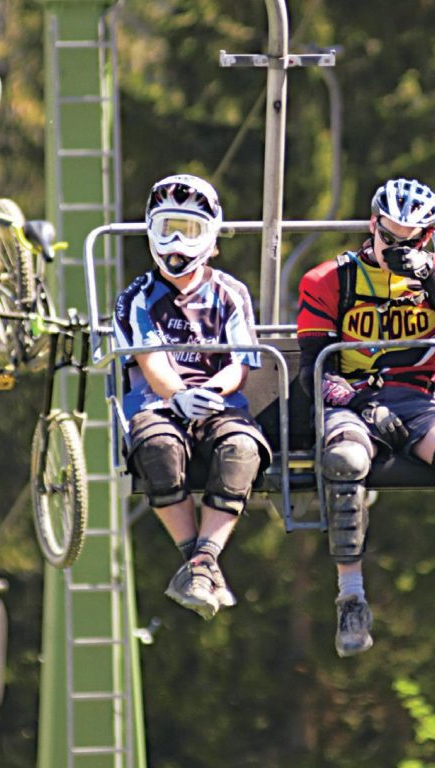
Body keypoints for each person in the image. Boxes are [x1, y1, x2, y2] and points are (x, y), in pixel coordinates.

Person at [297, 177, 435, 656]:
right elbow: (314, 370)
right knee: (345, 461)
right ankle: (351, 598)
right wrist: (363, 403)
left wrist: (430, 277)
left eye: (409, 241)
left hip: (418, 398)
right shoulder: (329, 280)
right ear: (373, 225)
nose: (395, 249)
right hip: (352, 400)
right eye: (388, 237)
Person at [114, 174, 271, 620]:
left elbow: (240, 363)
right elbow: (151, 361)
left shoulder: (230, 293)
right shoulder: (136, 298)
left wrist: (210, 392)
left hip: (219, 403)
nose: (177, 243)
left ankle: (202, 562)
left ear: (212, 237)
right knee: (158, 448)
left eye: (190, 230)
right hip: (157, 404)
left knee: (241, 450)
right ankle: (200, 563)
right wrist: (179, 395)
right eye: (167, 229)